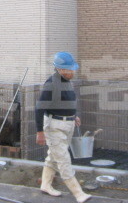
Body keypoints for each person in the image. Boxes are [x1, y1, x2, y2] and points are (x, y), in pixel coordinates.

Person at [35, 51, 91, 203]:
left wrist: (73, 116)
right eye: (69, 69)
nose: (73, 72)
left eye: (73, 69)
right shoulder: (51, 84)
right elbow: (39, 108)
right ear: (60, 69)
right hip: (54, 127)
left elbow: (65, 102)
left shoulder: (66, 82)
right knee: (63, 159)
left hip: (67, 124)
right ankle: (79, 194)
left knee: (54, 157)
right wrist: (40, 132)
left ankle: (45, 185)